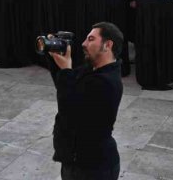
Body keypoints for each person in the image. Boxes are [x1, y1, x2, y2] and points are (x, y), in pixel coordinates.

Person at [48, 22, 124, 180]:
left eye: (90, 39)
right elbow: (64, 87)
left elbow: (68, 109)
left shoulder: (106, 82)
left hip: (93, 169)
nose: (83, 44)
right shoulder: (92, 69)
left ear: (107, 45)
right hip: (76, 162)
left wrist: (66, 70)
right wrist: (56, 59)